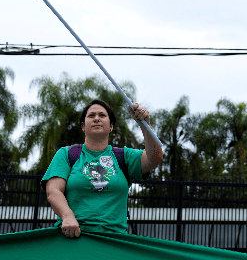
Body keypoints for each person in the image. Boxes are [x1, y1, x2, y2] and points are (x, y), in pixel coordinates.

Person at [42, 99, 163, 237]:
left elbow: (155, 158)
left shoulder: (124, 156)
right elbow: (53, 191)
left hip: (114, 241)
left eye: (102, 115)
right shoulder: (66, 154)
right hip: (72, 238)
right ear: (83, 126)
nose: (97, 119)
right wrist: (67, 216)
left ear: (111, 126)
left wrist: (145, 124)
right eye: (91, 115)